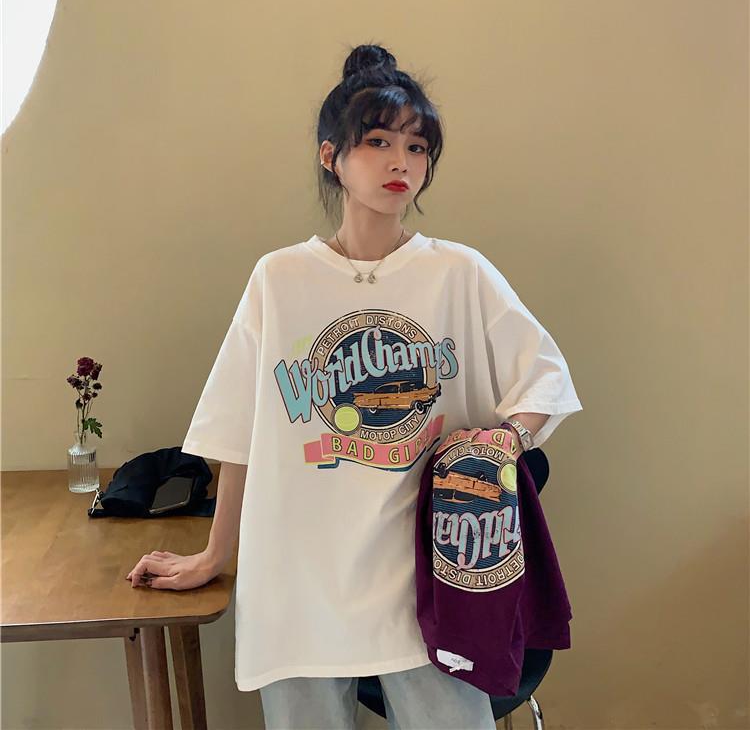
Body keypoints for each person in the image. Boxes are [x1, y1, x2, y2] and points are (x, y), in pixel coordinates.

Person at [126, 42, 583, 729]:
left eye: (417, 147)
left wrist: (505, 440)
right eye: (377, 142)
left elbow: (545, 376)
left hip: (424, 574)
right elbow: (239, 431)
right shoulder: (280, 279)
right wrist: (216, 554)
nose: (401, 162)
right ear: (330, 155)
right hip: (300, 573)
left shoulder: (458, 273)